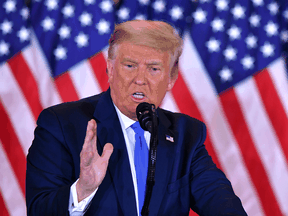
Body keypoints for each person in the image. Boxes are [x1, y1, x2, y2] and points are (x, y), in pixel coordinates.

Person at [26, 20, 247, 216]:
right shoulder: (62, 124)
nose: (140, 79)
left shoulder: (185, 134)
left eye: (153, 69)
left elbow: (220, 201)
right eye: (130, 66)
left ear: (171, 78)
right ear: (111, 70)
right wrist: (83, 189)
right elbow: (39, 210)